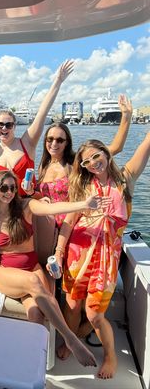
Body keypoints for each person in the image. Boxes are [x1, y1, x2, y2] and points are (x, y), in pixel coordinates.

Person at [0, 170, 112, 367]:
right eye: (4, 188)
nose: (9, 192)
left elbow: (52, 209)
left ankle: (32, 364)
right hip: (6, 272)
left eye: (12, 187)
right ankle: (71, 339)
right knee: (35, 282)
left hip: (32, 267)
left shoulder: (26, 207)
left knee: (37, 312)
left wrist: (84, 204)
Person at [52, 132, 150, 379]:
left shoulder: (125, 180)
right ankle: (72, 341)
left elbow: (145, 146)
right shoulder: (82, 186)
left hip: (106, 259)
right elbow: (68, 223)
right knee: (72, 305)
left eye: (97, 156)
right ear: (83, 166)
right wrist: (59, 251)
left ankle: (110, 355)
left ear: (106, 154)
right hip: (78, 254)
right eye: (87, 161)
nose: (94, 163)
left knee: (95, 313)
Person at [33, 95, 133, 227]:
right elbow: (43, 196)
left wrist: (126, 116)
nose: (54, 143)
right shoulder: (43, 166)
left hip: (70, 226)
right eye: (50, 139)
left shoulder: (75, 162)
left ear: (67, 143)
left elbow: (116, 147)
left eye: (60, 140)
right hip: (47, 225)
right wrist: (34, 194)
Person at [0, 60, 74, 196]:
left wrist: (58, 81)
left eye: (8, 125)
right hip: (4, 207)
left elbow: (42, 112)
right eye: (0, 124)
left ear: (14, 126)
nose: (4, 128)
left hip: (28, 203)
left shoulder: (26, 143)